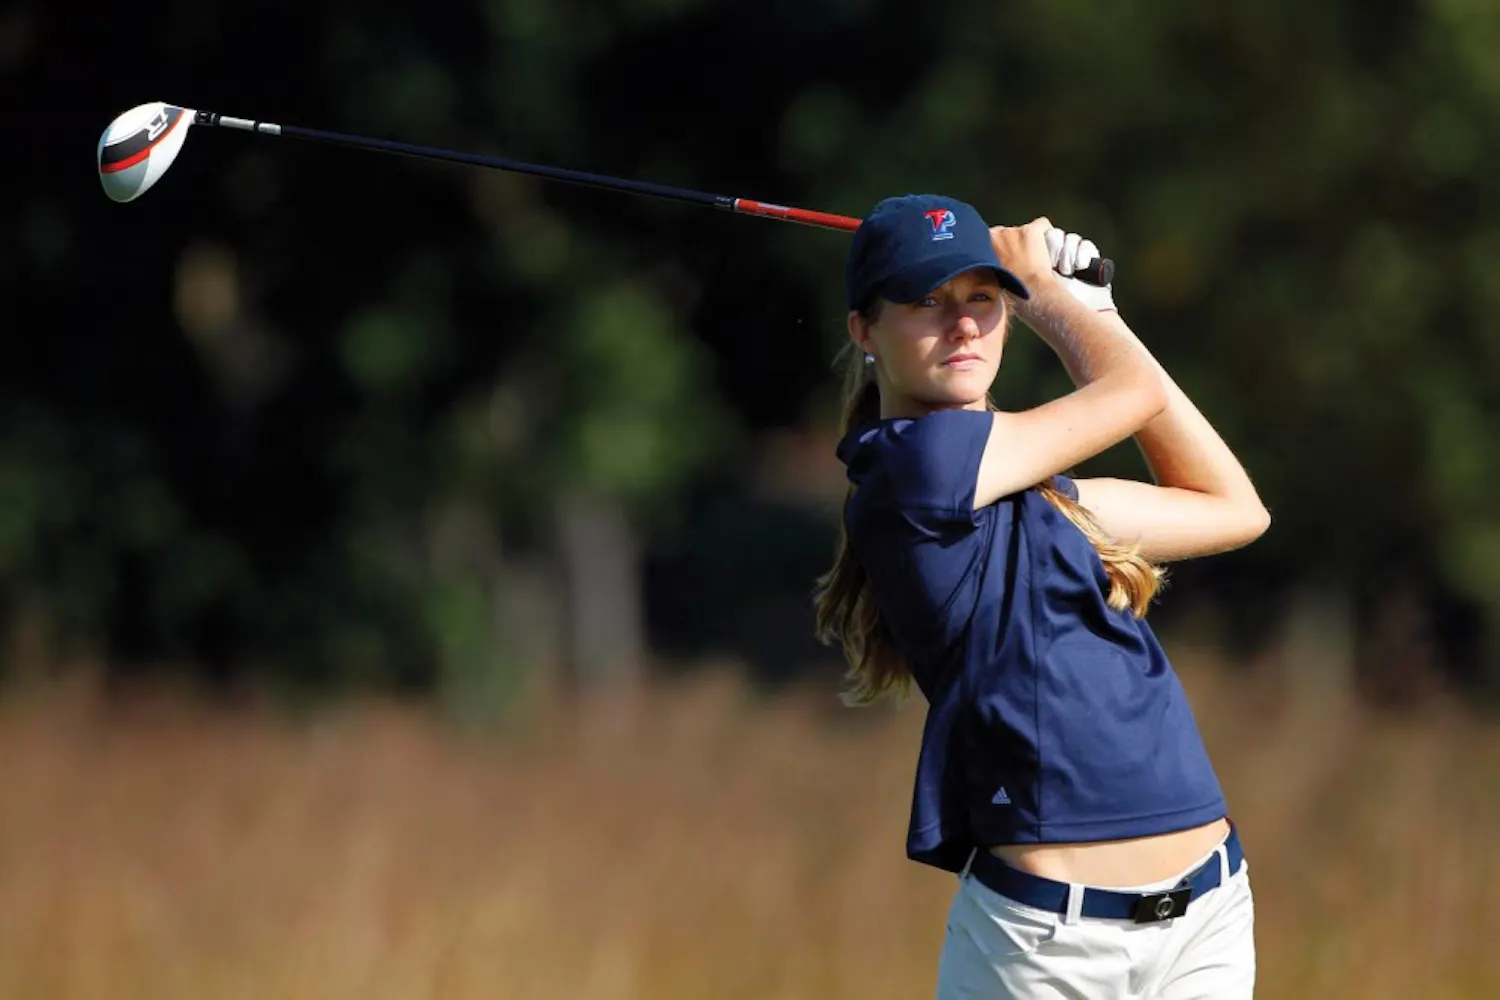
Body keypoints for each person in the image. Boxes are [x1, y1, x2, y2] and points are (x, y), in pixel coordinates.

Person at [813, 194, 1271, 999]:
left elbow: (1233, 507)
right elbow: (1131, 392)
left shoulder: (1046, 498)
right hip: (1046, 951)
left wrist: (1093, 307)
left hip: (1208, 915)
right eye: (926, 302)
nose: (961, 325)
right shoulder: (907, 471)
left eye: (982, 300)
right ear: (863, 330)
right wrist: (1055, 294)